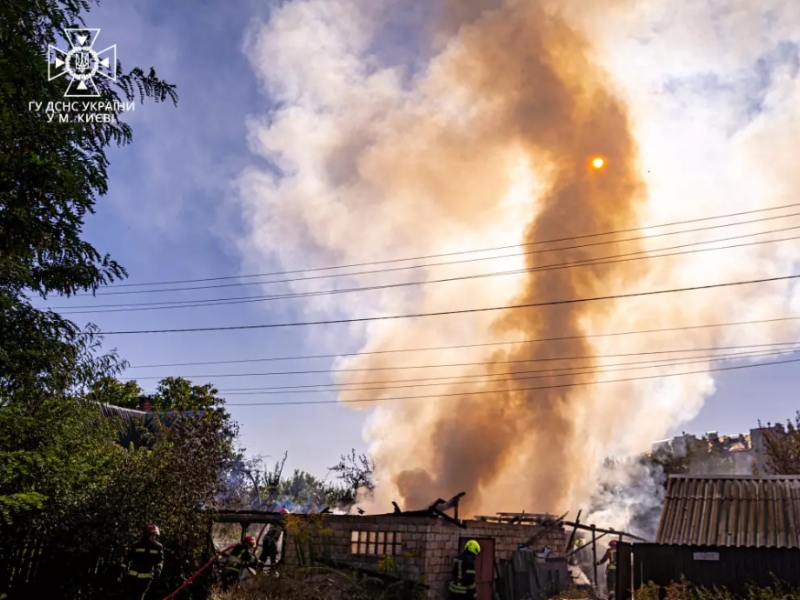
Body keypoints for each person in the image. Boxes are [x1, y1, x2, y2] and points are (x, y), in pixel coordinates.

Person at [120, 524, 164, 600]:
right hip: (133, 576)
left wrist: (158, 569)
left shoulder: (158, 547)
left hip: (146, 577)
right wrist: (121, 568)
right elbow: (128, 558)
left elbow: (160, 560)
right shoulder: (137, 545)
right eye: (152, 535)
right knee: (129, 595)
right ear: (146, 535)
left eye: (155, 535)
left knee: (139, 596)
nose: (153, 537)